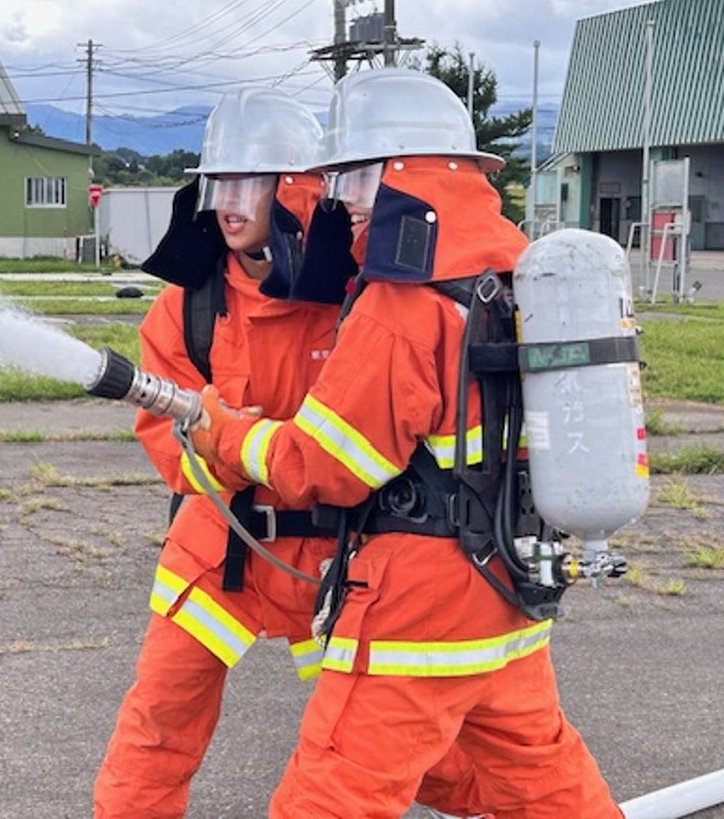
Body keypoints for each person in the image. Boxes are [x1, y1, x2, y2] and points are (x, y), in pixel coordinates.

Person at [190, 67, 623, 818]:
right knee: (547, 785)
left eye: (352, 179)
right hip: (508, 588)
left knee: (327, 797)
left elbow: (323, 466)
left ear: (395, 175)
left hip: (417, 608)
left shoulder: (403, 301)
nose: (342, 204)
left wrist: (222, 433)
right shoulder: (513, 267)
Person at [92, 86, 482, 819]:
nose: (227, 202)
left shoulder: (363, 300)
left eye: (247, 181)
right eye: (217, 183)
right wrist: (239, 457)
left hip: (340, 556)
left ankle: (511, 802)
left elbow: (374, 440)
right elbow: (170, 444)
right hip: (217, 542)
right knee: (158, 720)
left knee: (419, 759)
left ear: (298, 189)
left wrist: (254, 445)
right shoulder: (186, 307)